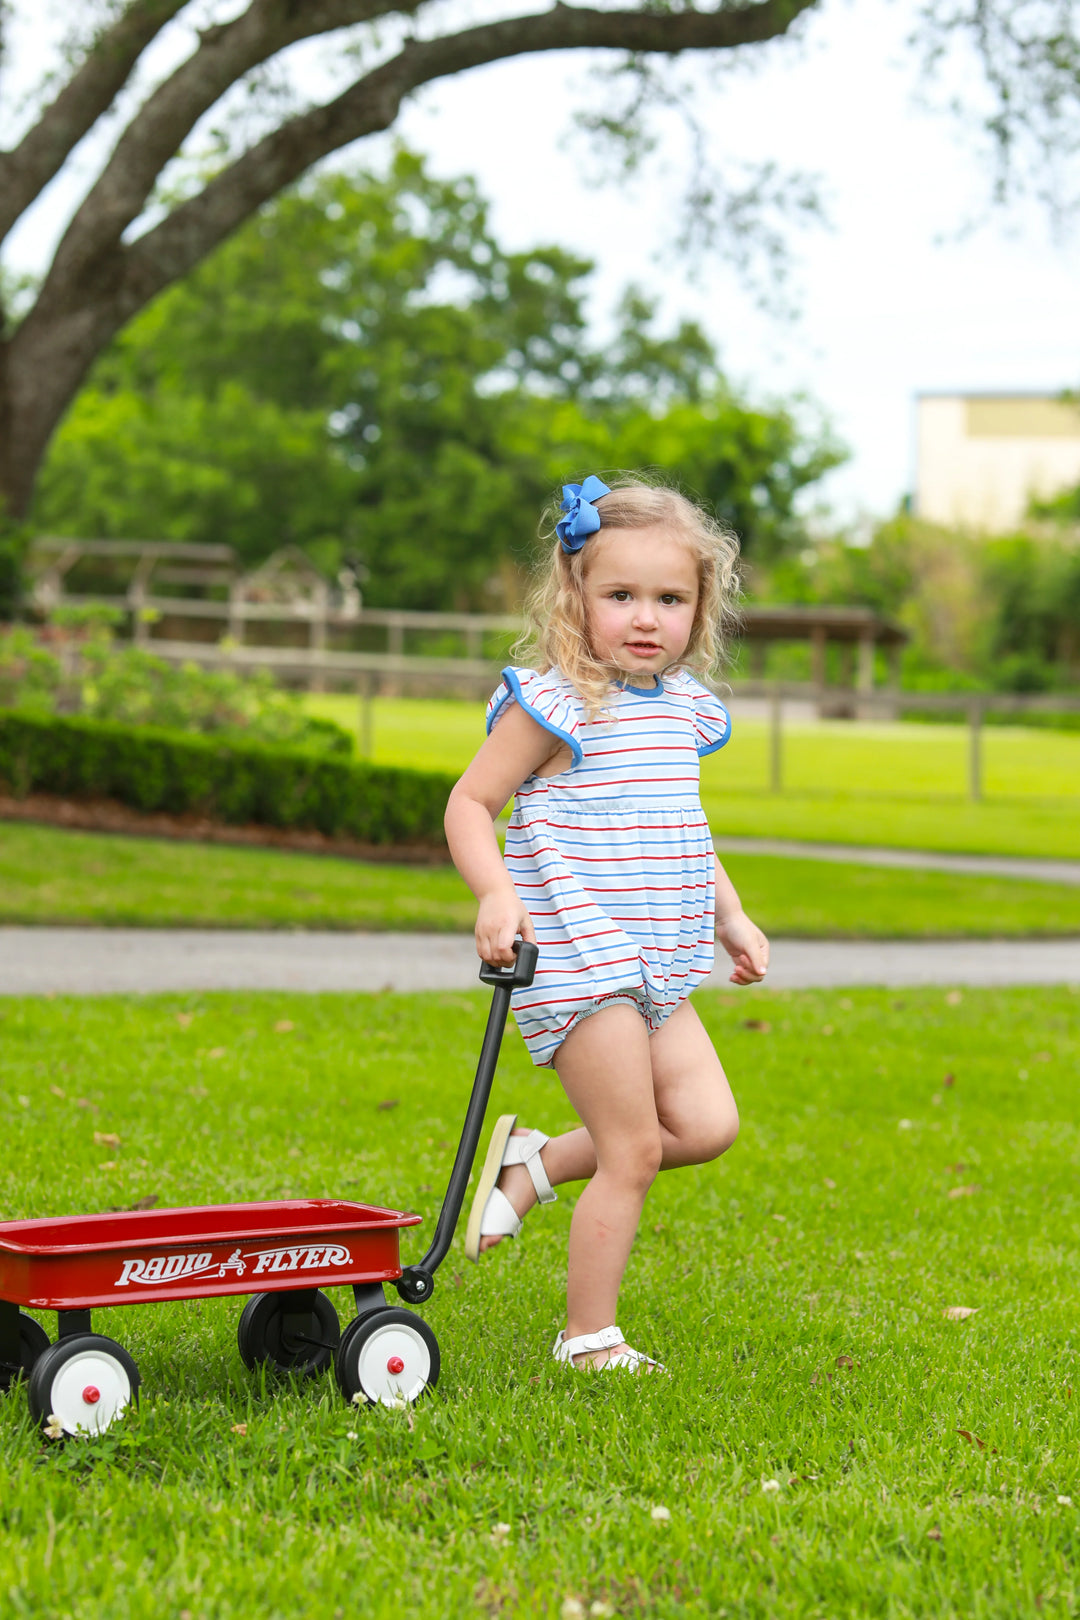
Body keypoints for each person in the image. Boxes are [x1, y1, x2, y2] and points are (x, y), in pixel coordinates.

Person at [444, 474, 769, 1371]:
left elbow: (680, 828)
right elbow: (471, 803)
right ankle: (588, 1339)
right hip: (581, 955)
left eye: (669, 599)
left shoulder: (684, 711)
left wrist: (729, 916)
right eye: (621, 595)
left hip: (660, 957)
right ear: (575, 594)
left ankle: (536, 1165)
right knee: (634, 1151)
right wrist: (494, 893)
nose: (645, 618)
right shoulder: (554, 704)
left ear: (699, 609)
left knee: (703, 1128)